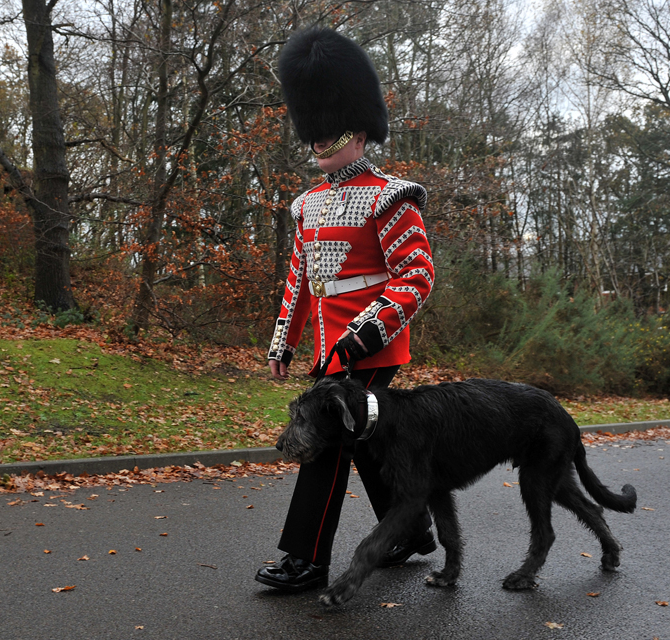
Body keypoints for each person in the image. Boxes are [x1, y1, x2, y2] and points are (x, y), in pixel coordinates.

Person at [256, 27, 436, 593]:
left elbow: (417, 276)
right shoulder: (307, 204)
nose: (320, 143)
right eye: (316, 134)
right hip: (329, 344)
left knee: (327, 437)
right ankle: (411, 528)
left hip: (374, 343)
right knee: (365, 440)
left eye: (331, 133)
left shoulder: (391, 195)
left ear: (360, 132)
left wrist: (364, 333)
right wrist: (285, 339)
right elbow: (301, 281)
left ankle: (305, 558)